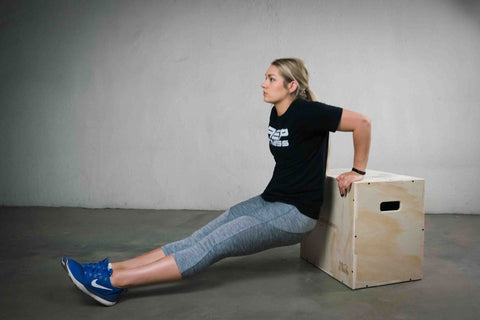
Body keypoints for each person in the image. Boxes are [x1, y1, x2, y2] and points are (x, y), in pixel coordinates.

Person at [62, 58, 371, 306]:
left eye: (271, 78)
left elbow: (361, 123)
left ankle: (112, 285)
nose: (263, 83)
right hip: (272, 200)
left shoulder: (309, 112)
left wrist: (358, 170)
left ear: (292, 86)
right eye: (265, 77)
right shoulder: (278, 112)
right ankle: (113, 269)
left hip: (296, 213)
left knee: (213, 245)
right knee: (199, 236)